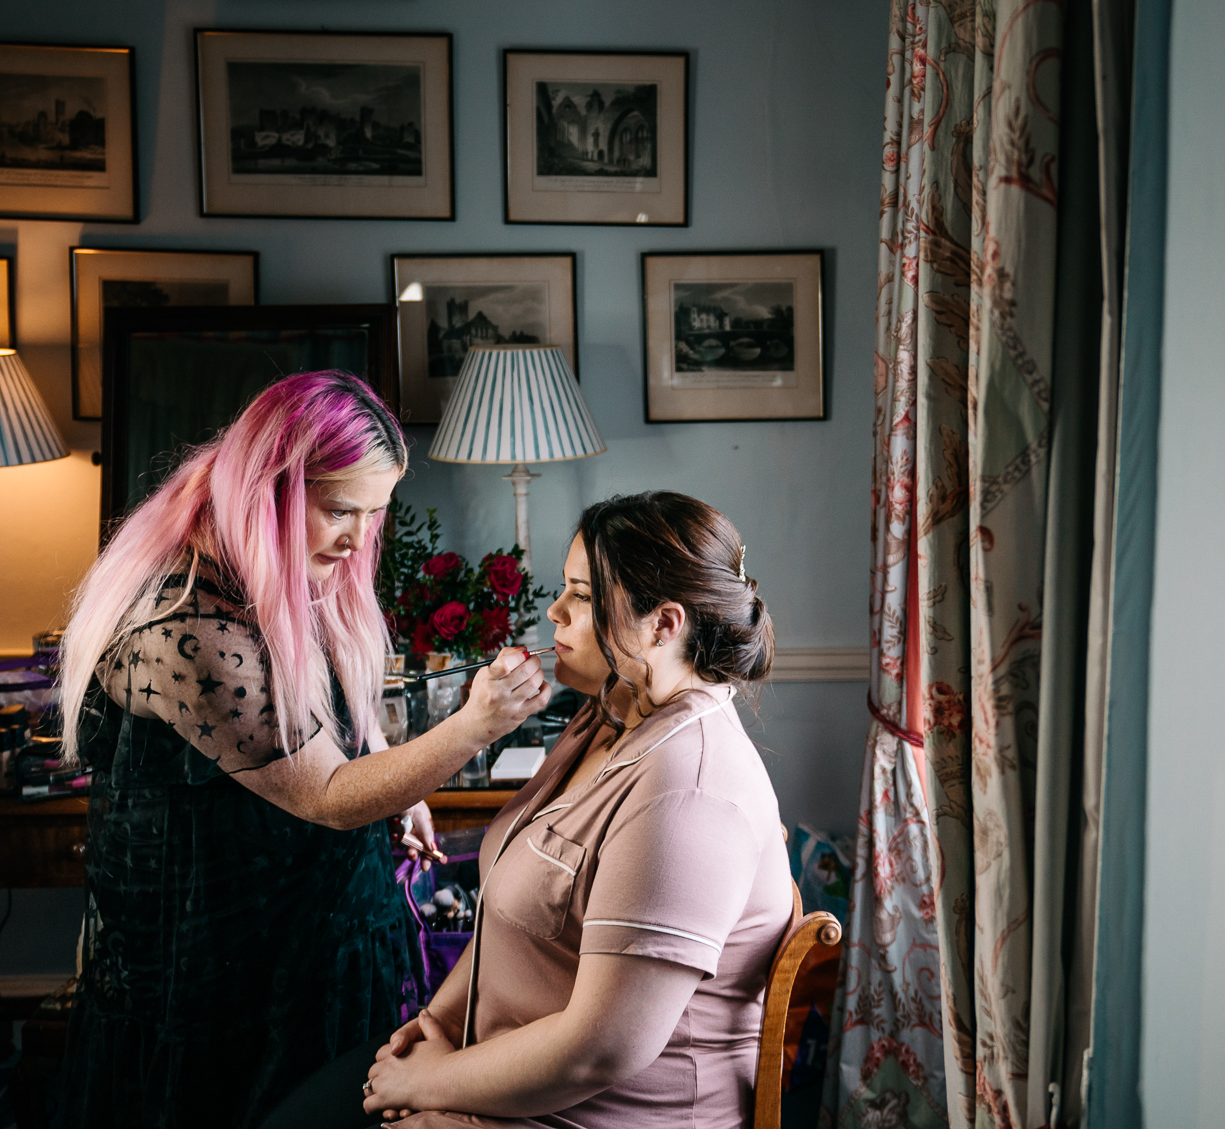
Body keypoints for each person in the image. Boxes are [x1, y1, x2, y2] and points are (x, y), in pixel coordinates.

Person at [54, 371, 552, 1129]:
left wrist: (400, 779)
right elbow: (325, 794)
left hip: (318, 944)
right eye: (341, 510)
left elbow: (341, 710)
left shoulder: (288, 560)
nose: (360, 539)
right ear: (269, 489)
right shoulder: (187, 626)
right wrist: (473, 728)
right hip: (225, 972)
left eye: (375, 514)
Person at [262, 491, 789, 1128]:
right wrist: (436, 1026)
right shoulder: (608, 717)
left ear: (664, 625)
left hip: (589, 1113)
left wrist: (434, 1083)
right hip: (501, 1072)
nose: (555, 611)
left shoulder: (689, 792)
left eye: (584, 596)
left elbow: (601, 1051)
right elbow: (503, 921)